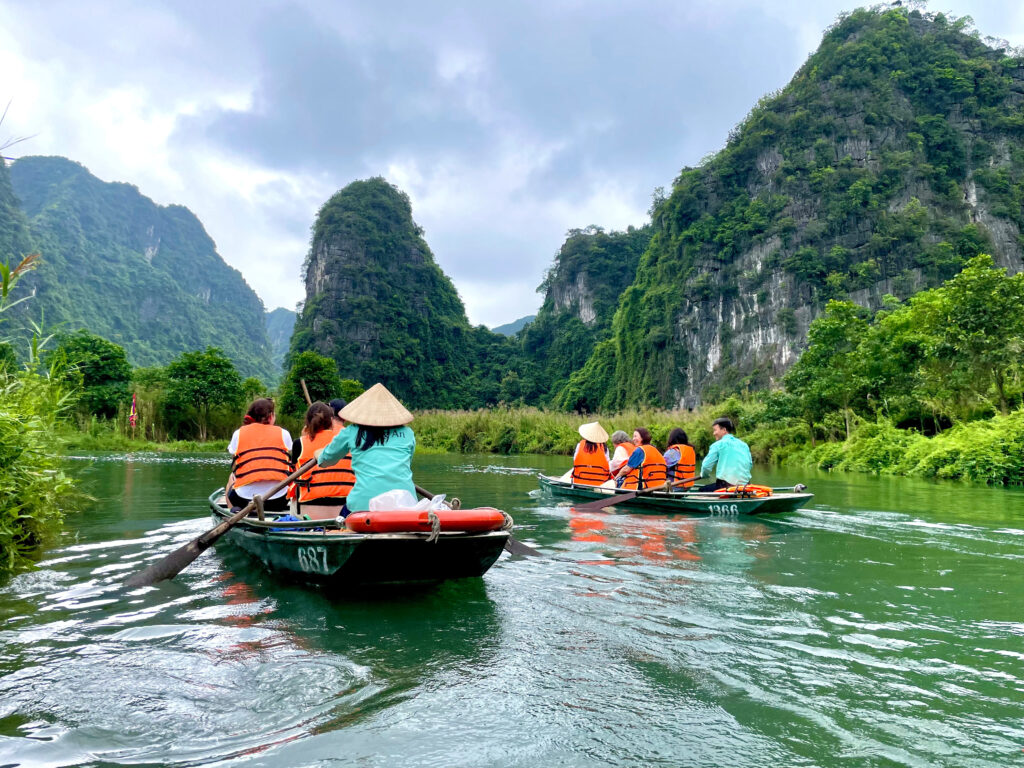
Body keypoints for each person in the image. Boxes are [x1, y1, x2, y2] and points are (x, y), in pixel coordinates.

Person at [316, 383, 416, 516]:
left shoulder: (352, 431)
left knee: (340, 521)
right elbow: (407, 462)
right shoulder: (407, 433)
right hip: (405, 503)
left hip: (363, 505)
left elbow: (325, 460)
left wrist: (317, 454)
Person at [226, 398, 293, 512]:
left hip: (244, 499)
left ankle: (234, 514)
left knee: (231, 477)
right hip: (279, 499)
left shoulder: (238, 433)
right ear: (271, 416)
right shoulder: (284, 433)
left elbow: (235, 463)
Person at [290, 401, 355, 513]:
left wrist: (304, 437)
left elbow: (293, 472)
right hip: (346, 509)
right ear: (331, 421)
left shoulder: (299, 443)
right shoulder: (348, 440)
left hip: (309, 510)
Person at [698, 417, 752, 491]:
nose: (714, 433)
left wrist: (704, 475)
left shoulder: (718, 445)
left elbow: (706, 467)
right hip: (745, 487)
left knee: (701, 490)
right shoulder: (744, 445)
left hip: (726, 487)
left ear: (724, 430)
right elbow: (749, 465)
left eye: (715, 430)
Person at [568, 421, 610, 486]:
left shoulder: (580, 445)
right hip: (600, 483)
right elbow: (607, 463)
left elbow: (575, 460)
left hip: (580, 481)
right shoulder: (604, 447)